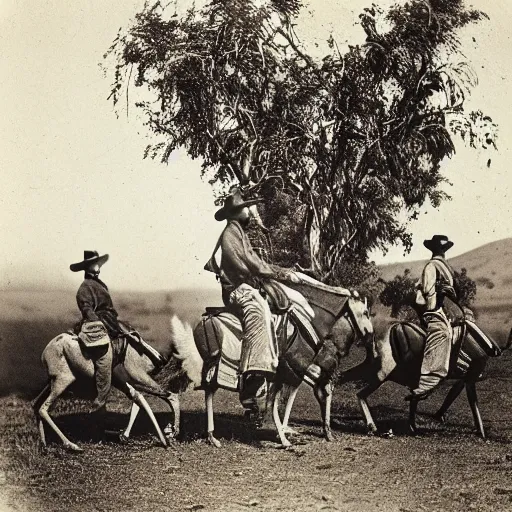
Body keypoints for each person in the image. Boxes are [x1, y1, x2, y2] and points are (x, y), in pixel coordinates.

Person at [205, 188, 301, 417]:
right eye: (247, 207)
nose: (250, 211)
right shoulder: (230, 234)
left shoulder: (239, 233)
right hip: (237, 291)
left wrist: (281, 272)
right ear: (238, 212)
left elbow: (255, 261)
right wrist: (282, 274)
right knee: (260, 311)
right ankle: (255, 373)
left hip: (246, 286)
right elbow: (250, 263)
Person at [406, 235, 459, 401]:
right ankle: (428, 379)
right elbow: (428, 290)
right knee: (443, 332)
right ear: (438, 251)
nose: (442, 252)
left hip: (443, 308)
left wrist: (448, 290)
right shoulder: (432, 266)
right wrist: (441, 289)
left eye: (442, 250)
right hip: (432, 309)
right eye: (441, 250)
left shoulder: (443, 267)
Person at [70, 250, 122, 410]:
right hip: (98, 324)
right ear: (87, 268)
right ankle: (100, 401)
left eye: (98, 263)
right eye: (94, 264)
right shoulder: (85, 288)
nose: (98, 266)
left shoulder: (100, 284)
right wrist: (99, 323)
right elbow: (87, 309)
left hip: (110, 321)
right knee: (104, 359)